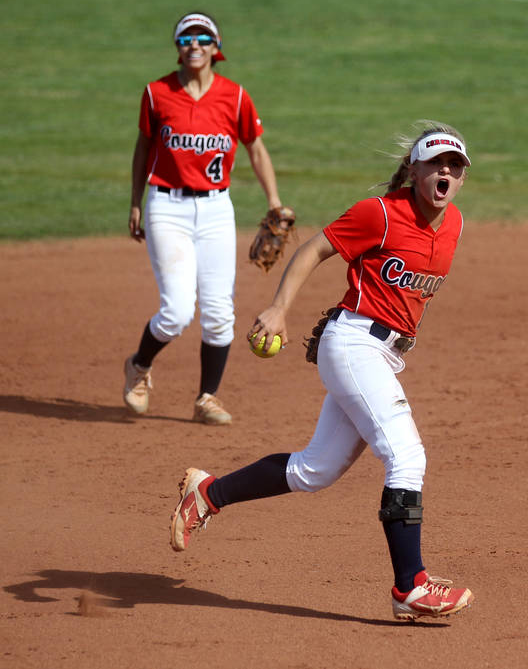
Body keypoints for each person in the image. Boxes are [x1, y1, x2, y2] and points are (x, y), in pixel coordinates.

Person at [168, 122, 475, 621]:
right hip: (354, 345)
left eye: (455, 166)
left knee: (316, 470)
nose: (446, 172)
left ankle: (207, 493)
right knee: (407, 457)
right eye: (436, 163)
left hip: (378, 353)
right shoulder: (377, 213)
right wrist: (278, 309)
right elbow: (314, 250)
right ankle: (410, 588)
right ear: (413, 170)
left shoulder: (454, 224)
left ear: (461, 178)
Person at [123, 11, 286, 424]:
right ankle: (139, 367)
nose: (193, 44)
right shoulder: (157, 93)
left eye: (202, 38)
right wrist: (136, 202)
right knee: (177, 311)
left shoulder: (234, 96)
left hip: (216, 208)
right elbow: (143, 148)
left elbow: (256, 148)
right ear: (178, 48)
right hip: (167, 206)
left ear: (216, 48)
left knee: (219, 312)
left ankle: (206, 398)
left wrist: (274, 201)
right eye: (185, 38)